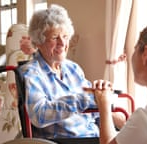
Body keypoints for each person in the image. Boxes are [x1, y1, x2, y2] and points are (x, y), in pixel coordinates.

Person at [20, 4, 126, 139]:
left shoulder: (73, 68)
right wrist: (84, 99)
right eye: (54, 37)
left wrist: (106, 107)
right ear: (39, 42)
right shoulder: (31, 73)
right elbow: (39, 115)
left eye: (65, 36)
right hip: (71, 141)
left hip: (94, 135)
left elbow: (90, 107)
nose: (63, 43)